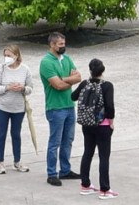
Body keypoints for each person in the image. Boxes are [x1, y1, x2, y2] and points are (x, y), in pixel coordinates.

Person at [71, 58, 117, 199]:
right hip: (102, 125)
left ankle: (85, 185)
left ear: (90, 71)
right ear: (103, 70)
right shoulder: (107, 85)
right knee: (104, 156)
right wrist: (111, 121)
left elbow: (73, 96)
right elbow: (109, 106)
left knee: (88, 153)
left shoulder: (85, 83)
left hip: (87, 125)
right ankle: (105, 189)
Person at [40, 32, 82, 186]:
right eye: (60, 44)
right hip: (55, 108)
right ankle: (52, 173)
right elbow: (56, 86)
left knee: (68, 140)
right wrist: (69, 81)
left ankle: (65, 170)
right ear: (52, 45)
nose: (63, 47)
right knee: (55, 142)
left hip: (69, 106)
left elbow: (78, 77)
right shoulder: (46, 62)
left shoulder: (67, 58)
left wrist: (65, 79)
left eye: (64, 44)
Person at [0, 45, 33, 174]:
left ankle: (17, 161)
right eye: (5, 56)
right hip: (1, 106)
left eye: (9, 56)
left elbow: (30, 88)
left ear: (17, 56)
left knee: (16, 134)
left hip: (18, 107)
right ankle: (0, 162)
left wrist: (22, 88)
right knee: (1, 133)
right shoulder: (0, 69)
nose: (7, 58)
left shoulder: (25, 69)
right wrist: (8, 88)